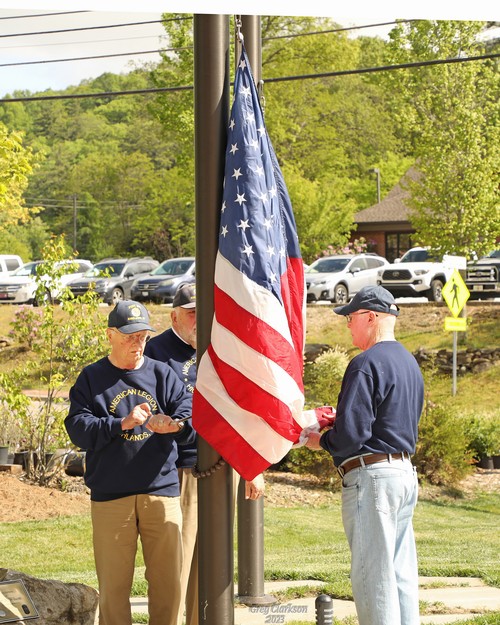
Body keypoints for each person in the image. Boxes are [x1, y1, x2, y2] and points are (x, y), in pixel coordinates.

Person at [65, 300, 196, 625]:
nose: (137, 343)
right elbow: (78, 429)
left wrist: (176, 425)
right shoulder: (92, 378)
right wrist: (119, 424)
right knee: (114, 589)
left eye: (142, 336)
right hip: (112, 497)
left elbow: (190, 412)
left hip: (162, 493)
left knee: (168, 586)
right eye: (129, 336)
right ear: (110, 334)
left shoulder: (162, 374)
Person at [145, 283, 264, 625]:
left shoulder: (224, 347)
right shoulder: (155, 353)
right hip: (181, 471)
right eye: (192, 313)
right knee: (176, 565)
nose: (201, 320)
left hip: (223, 466)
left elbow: (241, 409)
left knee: (213, 564)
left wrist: (251, 464)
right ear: (174, 316)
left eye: (205, 311)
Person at [306, 285, 424, 625]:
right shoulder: (408, 362)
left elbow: (352, 436)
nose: (347, 324)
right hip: (402, 473)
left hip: (372, 479)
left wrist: (320, 439)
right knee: (400, 574)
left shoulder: (365, 363)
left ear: (371, 317)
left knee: (374, 578)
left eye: (351, 317)